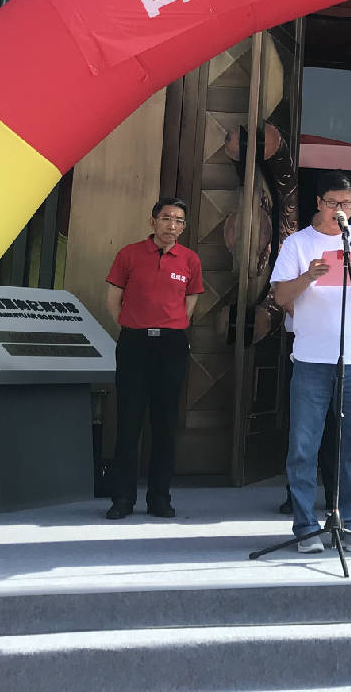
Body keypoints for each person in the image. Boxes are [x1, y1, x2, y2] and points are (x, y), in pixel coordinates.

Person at [270, 172, 351, 553]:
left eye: (348, 204)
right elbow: (279, 296)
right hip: (311, 358)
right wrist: (308, 276)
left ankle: (350, 522)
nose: (342, 211)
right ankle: (305, 526)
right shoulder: (298, 243)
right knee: (304, 445)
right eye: (334, 203)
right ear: (319, 203)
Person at [104, 198, 203, 520]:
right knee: (128, 421)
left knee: (165, 423)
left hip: (171, 345)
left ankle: (160, 497)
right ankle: (122, 498)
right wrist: (132, 324)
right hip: (135, 343)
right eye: (167, 218)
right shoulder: (129, 254)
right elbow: (113, 299)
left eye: (179, 221)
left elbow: (192, 297)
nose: (172, 226)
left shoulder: (189, 259)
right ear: (153, 221)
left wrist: (175, 324)